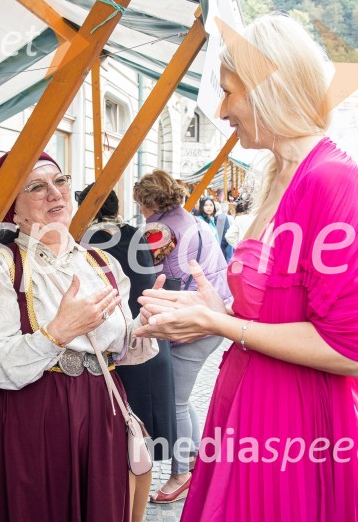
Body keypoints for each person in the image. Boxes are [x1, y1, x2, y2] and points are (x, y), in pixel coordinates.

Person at [135, 13, 358, 520]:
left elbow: (354, 350)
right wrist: (213, 305)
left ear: (270, 89)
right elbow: (274, 310)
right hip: (254, 400)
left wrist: (218, 322)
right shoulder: (281, 175)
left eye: (229, 92)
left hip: (296, 419)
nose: (223, 110)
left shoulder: (330, 178)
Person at [0, 152, 151, 522]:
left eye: (60, 181)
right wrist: (57, 333)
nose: (55, 193)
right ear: (12, 210)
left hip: (101, 410)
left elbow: (121, 349)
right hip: (33, 416)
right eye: (36, 186)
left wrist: (150, 325)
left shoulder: (103, 264)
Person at [77, 183, 177, 522]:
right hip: (147, 337)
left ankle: (120, 505)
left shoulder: (84, 241)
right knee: (139, 437)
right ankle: (134, 509)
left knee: (122, 436)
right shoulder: (136, 233)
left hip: (116, 347)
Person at [132, 170, 232, 504]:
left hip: (194, 320)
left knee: (174, 399)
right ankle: (194, 459)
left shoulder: (159, 230)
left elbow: (157, 276)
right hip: (215, 312)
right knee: (182, 397)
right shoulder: (195, 221)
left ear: (148, 202)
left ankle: (181, 474)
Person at [197, 196, 233, 262]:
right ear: (202, 207)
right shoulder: (199, 220)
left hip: (214, 253)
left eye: (211, 205)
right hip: (206, 255)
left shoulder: (211, 220)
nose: (209, 207)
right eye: (206, 205)